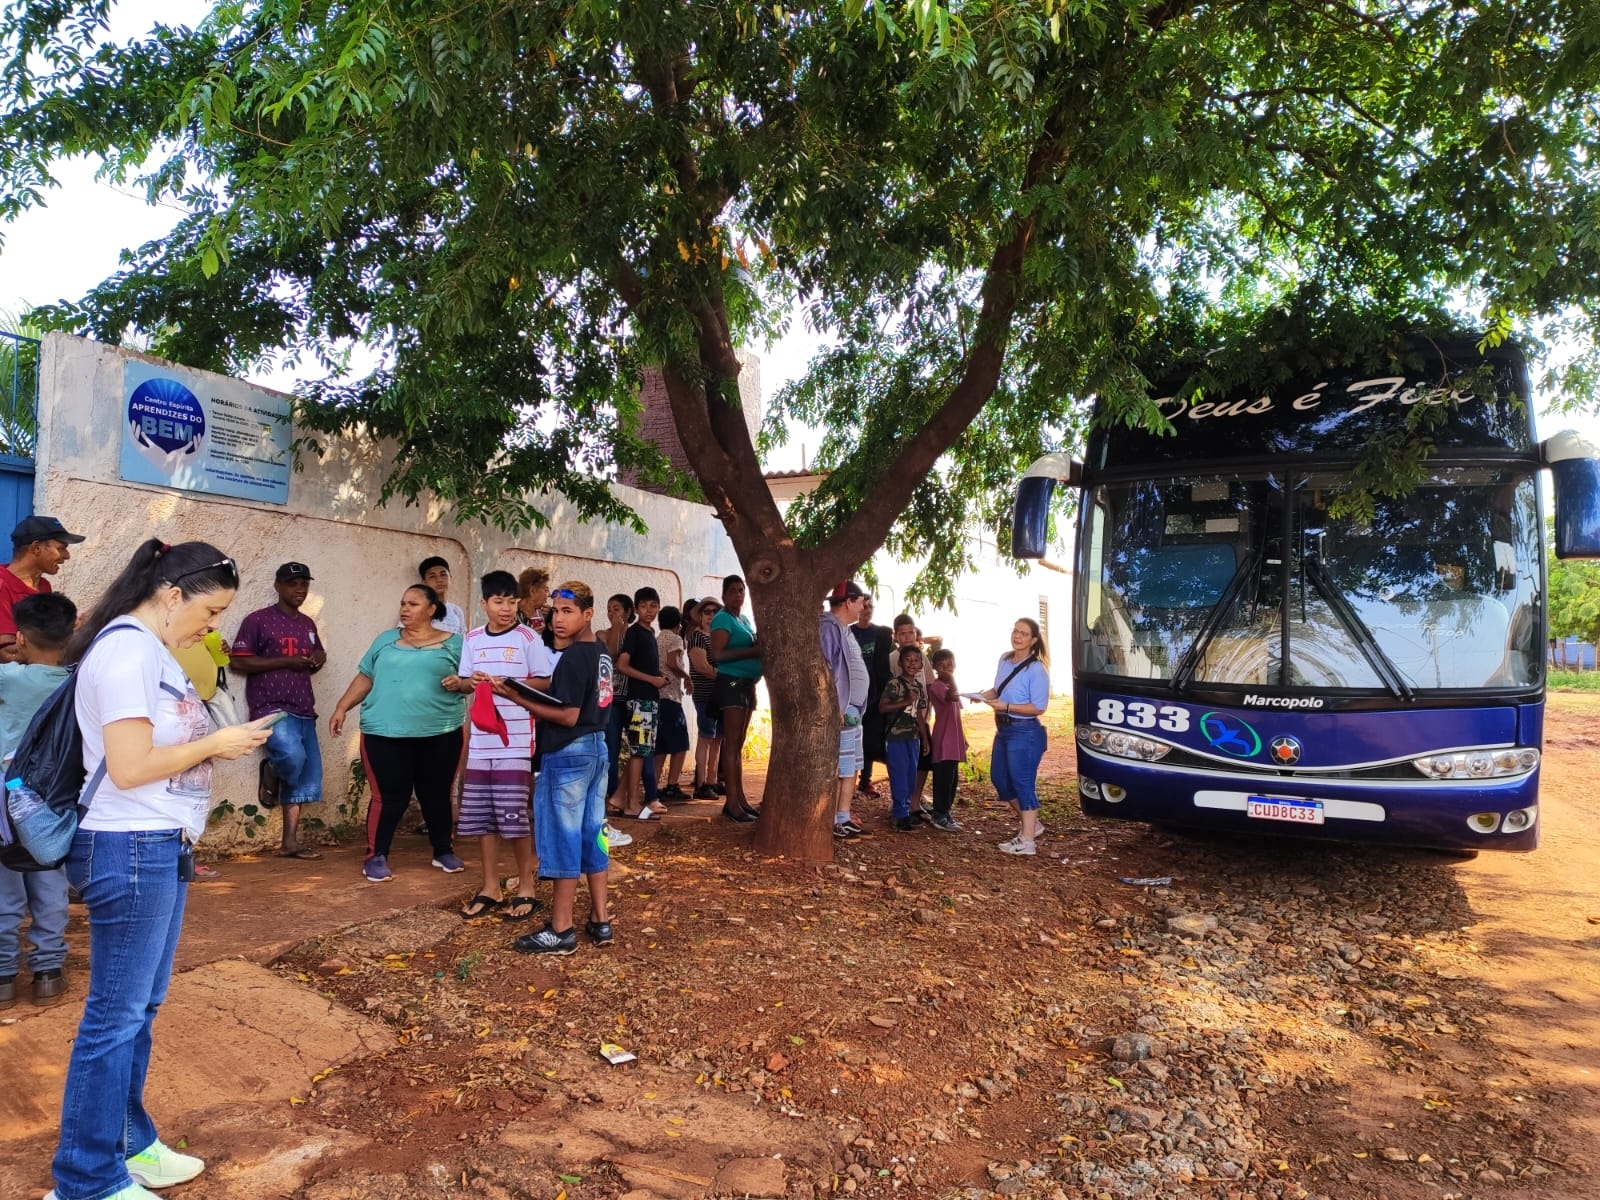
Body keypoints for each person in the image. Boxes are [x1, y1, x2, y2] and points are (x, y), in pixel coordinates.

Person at [48, 540, 272, 1200]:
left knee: (140, 1008)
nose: (212, 626)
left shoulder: (153, 652)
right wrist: (218, 742)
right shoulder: (124, 651)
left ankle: (128, 1143)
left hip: (160, 842)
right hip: (129, 845)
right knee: (114, 1018)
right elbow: (129, 766)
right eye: (209, 611)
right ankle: (84, 1181)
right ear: (172, 594)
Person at [493, 581, 614, 955]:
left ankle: (561, 930)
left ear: (587, 613)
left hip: (568, 755)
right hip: (597, 750)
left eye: (567, 612)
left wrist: (516, 697)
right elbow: (568, 694)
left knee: (561, 838)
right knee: (593, 834)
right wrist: (522, 687)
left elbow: (566, 715)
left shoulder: (576, 655)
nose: (558, 619)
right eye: (554, 612)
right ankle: (599, 918)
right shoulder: (600, 651)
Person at [330, 584, 467, 882]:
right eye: (403, 604)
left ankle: (443, 850)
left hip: (441, 732)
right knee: (389, 797)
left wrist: (461, 682)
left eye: (413, 604)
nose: (404, 609)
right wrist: (342, 707)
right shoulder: (385, 640)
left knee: (436, 795)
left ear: (432, 609)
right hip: (384, 733)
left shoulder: (456, 644)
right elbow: (366, 675)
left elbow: (473, 683)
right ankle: (376, 855)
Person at [448, 570, 556, 921]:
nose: (506, 608)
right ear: (484, 603)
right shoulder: (473, 638)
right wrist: (471, 681)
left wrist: (510, 685)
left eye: (511, 601)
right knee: (483, 817)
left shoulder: (528, 638)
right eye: (498, 602)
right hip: (480, 741)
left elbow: (544, 680)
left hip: (516, 741)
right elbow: (465, 682)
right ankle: (490, 886)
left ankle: (526, 886)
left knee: (514, 815)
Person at [0, 593, 76, 1010]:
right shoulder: (76, 682)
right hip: (53, 797)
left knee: (4, 891)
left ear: (21, 637)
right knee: (50, 883)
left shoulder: (9, 678)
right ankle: (47, 973)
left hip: (4, 799)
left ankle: (3, 977)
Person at [228, 562, 328, 860]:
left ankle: (290, 843)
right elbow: (239, 661)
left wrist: (317, 657)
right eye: (293, 584)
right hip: (271, 705)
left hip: (303, 706)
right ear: (278, 587)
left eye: (304, 584)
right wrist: (284, 662)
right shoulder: (258, 620)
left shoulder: (307, 624)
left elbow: (318, 651)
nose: (300, 589)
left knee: (307, 776)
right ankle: (271, 768)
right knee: (291, 757)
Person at [975, 618, 1051, 855]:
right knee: (1000, 779)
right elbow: (998, 690)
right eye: (1015, 631)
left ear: (1033, 640)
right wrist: (981, 695)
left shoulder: (1036, 669)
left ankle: (1027, 841)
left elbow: (1039, 707)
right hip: (1004, 729)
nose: (1017, 636)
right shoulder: (1005, 660)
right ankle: (1032, 824)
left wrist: (1006, 707)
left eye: (1024, 633)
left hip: (1024, 731)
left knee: (1022, 782)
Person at [709, 575, 762, 821]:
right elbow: (718, 654)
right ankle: (732, 803)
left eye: (741, 591)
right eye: (733, 591)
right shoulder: (722, 618)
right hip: (731, 683)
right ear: (724, 594)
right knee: (731, 744)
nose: (738, 595)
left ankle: (740, 799)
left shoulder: (743, 619)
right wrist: (754, 651)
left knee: (738, 744)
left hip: (746, 684)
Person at [821, 581, 870, 840]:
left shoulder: (843, 628)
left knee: (850, 767)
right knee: (841, 766)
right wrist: (835, 706)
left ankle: (843, 815)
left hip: (851, 712)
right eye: (861, 601)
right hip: (841, 711)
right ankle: (836, 819)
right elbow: (825, 669)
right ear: (849, 601)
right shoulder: (829, 627)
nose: (863, 607)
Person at [0, 515, 85, 662]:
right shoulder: (2, 585)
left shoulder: (44, 585)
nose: (67, 556)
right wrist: (67, 635)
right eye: (61, 548)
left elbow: (45, 638)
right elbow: (7, 654)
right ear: (36, 548)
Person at [616, 586, 667, 819]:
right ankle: (632, 804)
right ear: (636, 609)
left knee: (641, 750)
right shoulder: (635, 632)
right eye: (644, 606)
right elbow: (622, 665)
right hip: (640, 701)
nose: (649, 610)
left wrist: (658, 680)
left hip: (649, 699)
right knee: (638, 753)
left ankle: (618, 797)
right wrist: (652, 680)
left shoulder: (649, 633)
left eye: (653, 606)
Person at [879, 644, 931, 832]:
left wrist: (924, 738)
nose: (912, 663)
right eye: (907, 660)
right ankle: (899, 815)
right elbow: (883, 707)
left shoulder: (917, 686)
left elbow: (918, 714)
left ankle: (906, 810)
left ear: (921, 665)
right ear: (900, 663)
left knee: (910, 777)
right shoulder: (895, 684)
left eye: (916, 660)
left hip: (913, 738)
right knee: (899, 775)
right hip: (896, 737)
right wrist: (905, 701)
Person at [851, 596, 893, 799]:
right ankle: (847, 783)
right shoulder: (848, 632)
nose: (867, 610)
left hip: (875, 695)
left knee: (870, 739)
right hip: (852, 696)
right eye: (864, 606)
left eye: (870, 607)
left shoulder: (881, 634)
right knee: (850, 739)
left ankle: (864, 781)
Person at [926, 647, 968, 832]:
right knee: (942, 778)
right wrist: (951, 679)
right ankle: (939, 813)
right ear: (935, 667)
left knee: (952, 779)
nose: (946, 669)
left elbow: (957, 710)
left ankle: (946, 811)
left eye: (950, 665)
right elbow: (951, 698)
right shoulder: (936, 686)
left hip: (954, 739)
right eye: (942, 666)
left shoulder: (951, 686)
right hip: (943, 739)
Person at [686, 596, 723, 799]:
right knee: (706, 737)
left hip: (719, 694)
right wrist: (726, 676)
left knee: (717, 739)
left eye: (715, 612)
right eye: (707, 612)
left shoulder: (717, 637)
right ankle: (700, 784)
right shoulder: (697, 637)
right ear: (699, 616)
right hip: (705, 694)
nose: (711, 616)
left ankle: (712, 780)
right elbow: (702, 667)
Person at [599, 593, 633, 807]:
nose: (612, 613)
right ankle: (612, 791)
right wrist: (618, 631)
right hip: (611, 699)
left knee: (638, 746)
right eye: (609, 609)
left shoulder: (636, 635)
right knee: (610, 746)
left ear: (628, 612)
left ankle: (631, 793)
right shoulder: (602, 634)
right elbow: (610, 653)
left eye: (617, 609)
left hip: (632, 697)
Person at [654, 605, 692, 800]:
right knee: (681, 743)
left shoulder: (658, 639)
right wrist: (687, 676)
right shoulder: (675, 638)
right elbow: (672, 662)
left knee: (660, 745)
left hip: (658, 696)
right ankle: (672, 785)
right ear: (678, 623)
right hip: (670, 696)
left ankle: (653, 787)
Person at [418, 556, 466, 635]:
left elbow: (463, 639)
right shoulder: (417, 610)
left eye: (443, 574)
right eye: (432, 576)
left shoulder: (456, 611)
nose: (439, 580)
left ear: (450, 578)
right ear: (424, 582)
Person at [517, 565, 552, 642]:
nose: (549, 595)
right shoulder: (511, 617)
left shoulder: (542, 613)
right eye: (546, 590)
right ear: (532, 591)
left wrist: (549, 618)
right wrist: (531, 635)